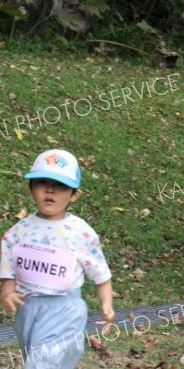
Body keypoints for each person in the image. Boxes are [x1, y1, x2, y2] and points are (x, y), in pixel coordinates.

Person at [0, 149, 114, 369]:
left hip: (65, 309)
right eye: (42, 182)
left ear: (74, 194)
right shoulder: (19, 231)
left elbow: (100, 273)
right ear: (31, 188)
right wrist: (7, 290)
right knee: (35, 358)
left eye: (60, 185)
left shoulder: (80, 232)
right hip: (28, 308)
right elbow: (8, 265)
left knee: (42, 363)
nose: (50, 189)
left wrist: (106, 304)